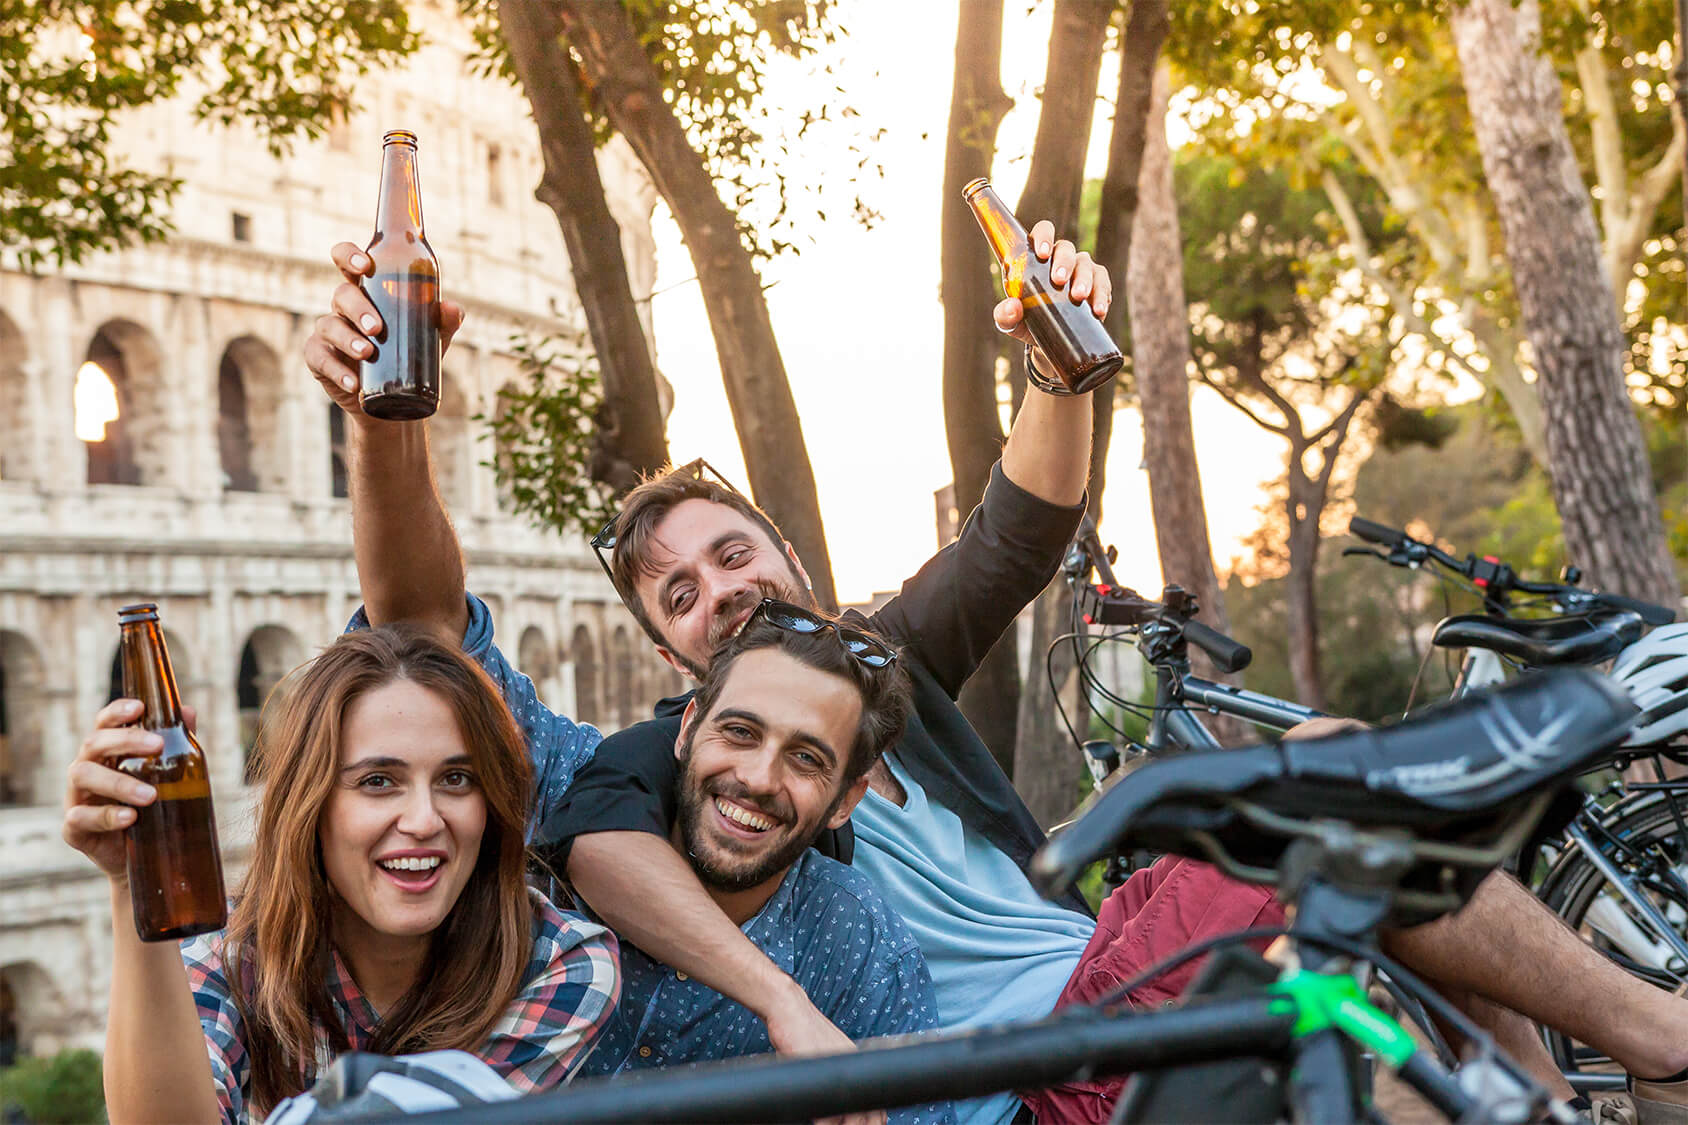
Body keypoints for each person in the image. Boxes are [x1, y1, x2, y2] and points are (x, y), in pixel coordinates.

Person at [303, 224, 1688, 1123]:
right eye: (681, 593)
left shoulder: (889, 663)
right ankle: (1657, 1037)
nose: (719, 591)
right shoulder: (665, 774)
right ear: (675, 655)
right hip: (1034, 1067)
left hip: (1119, 966)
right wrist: (385, 424)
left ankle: (1558, 1077)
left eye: (734, 555)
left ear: (790, 552)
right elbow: (431, 632)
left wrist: (1063, 373)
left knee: (1342, 793)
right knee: (1321, 809)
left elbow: (1022, 524)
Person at [63, 626, 620, 1124]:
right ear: (310, 804)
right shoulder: (231, 956)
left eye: (456, 779)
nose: (424, 820)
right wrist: (130, 886)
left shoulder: (561, 963)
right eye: (378, 781)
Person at [548, 601, 951, 1125]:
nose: (759, 778)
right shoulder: (560, 783)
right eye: (740, 731)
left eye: (806, 758)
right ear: (688, 727)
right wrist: (783, 1002)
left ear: (846, 802)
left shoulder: (863, 948)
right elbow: (441, 625)